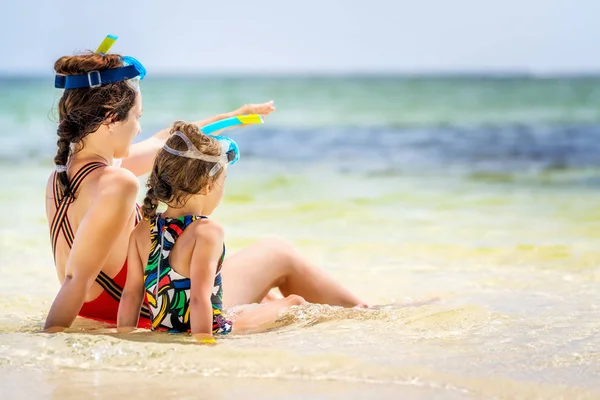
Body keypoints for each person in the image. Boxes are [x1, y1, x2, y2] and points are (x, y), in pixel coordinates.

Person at [44, 48, 366, 333]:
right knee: (277, 252)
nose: (139, 128)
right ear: (111, 119)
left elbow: (164, 141)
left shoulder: (64, 176)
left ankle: (349, 316)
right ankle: (366, 317)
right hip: (158, 313)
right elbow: (77, 279)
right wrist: (51, 339)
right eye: (136, 117)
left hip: (118, 310)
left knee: (259, 290)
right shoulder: (119, 182)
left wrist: (232, 117)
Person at [118, 121, 314, 341]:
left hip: (164, 331)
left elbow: (131, 295)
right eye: (224, 181)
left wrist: (126, 337)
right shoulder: (206, 231)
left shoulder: (143, 229)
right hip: (213, 331)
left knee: (246, 307)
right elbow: (199, 299)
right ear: (207, 186)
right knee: (294, 302)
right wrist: (204, 342)